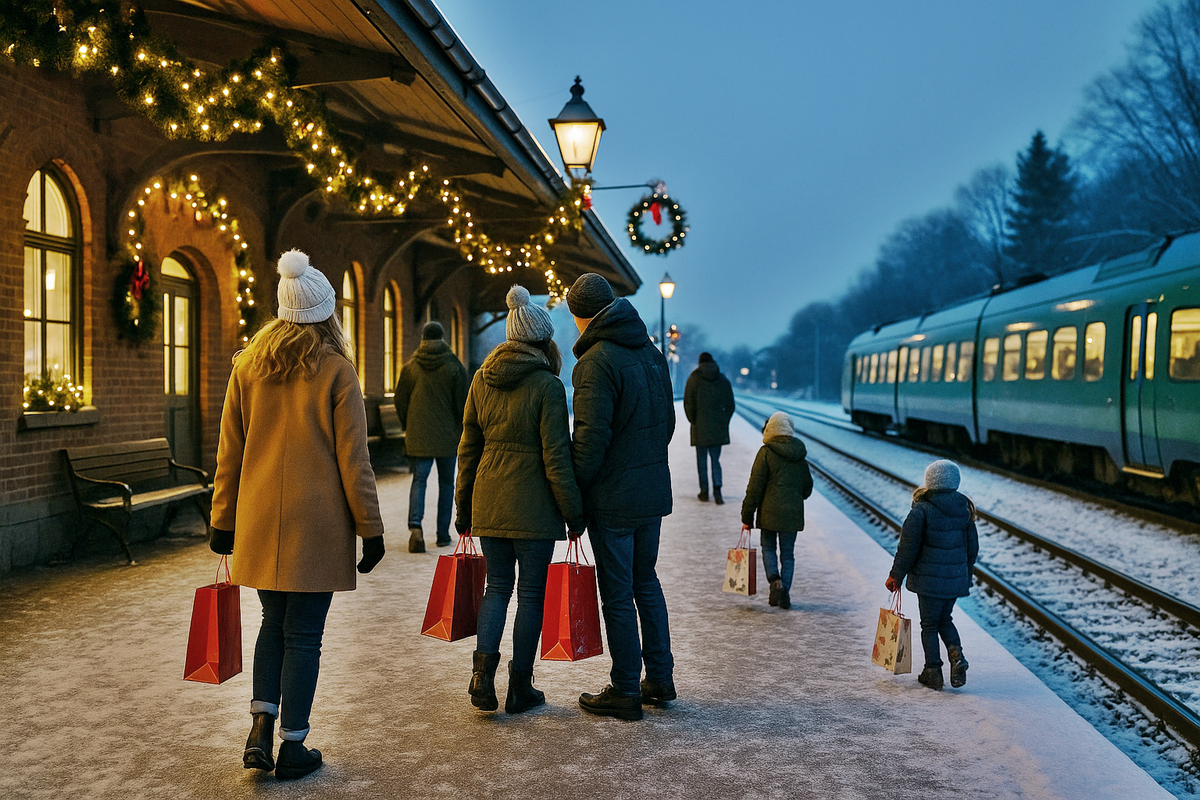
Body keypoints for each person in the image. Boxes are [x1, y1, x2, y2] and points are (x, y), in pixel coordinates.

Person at [209, 249, 385, 780]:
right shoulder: (337, 370)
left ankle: (261, 726)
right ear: (327, 312)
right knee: (304, 635)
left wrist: (222, 519)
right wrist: (370, 529)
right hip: (318, 525)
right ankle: (293, 745)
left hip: (260, 520)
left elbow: (229, 451)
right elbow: (355, 460)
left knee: (272, 624)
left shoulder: (247, 365)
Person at [456, 286, 585, 714]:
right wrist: (573, 512)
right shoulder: (548, 386)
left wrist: (463, 507)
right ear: (543, 340)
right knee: (530, 595)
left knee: (496, 589)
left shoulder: (481, 379)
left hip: (489, 502)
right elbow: (556, 458)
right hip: (534, 508)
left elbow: (467, 448)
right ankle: (519, 687)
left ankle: (481, 678)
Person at [567, 272, 676, 722]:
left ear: (580, 316)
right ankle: (661, 677)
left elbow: (590, 440)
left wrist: (574, 490)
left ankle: (626, 688)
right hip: (651, 492)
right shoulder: (651, 354)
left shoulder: (596, 362)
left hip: (613, 499)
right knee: (645, 582)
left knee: (616, 592)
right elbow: (668, 424)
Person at [885, 459, 978, 691]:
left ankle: (933, 671)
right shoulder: (964, 509)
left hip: (928, 580)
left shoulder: (921, 510)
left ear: (929, 482)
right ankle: (956, 655)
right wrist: (965, 575)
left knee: (929, 624)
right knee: (944, 619)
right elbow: (972, 548)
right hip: (954, 578)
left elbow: (907, 548)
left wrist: (896, 575)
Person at [394, 320, 468, 551]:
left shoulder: (410, 367)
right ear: (443, 338)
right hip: (447, 437)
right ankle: (443, 533)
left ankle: (416, 528)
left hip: (419, 436)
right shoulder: (455, 367)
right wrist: (458, 431)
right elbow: (462, 406)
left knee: (419, 480)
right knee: (447, 484)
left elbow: (400, 401)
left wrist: (410, 425)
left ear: (423, 339)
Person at [740, 412, 813, 609]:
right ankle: (785, 591)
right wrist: (794, 497)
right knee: (788, 555)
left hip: (769, 514)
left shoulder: (765, 453)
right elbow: (807, 488)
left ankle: (775, 583)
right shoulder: (799, 455)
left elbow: (754, 487)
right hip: (792, 515)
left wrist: (747, 515)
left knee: (768, 548)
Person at [684, 352, 735, 504]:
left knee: (701, 461)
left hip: (700, 427)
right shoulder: (722, 379)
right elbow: (730, 405)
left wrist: (694, 420)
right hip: (717, 428)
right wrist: (723, 421)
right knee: (716, 460)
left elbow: (688, 403)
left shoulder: (694, 379)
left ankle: (704, 491)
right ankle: (718, 491)